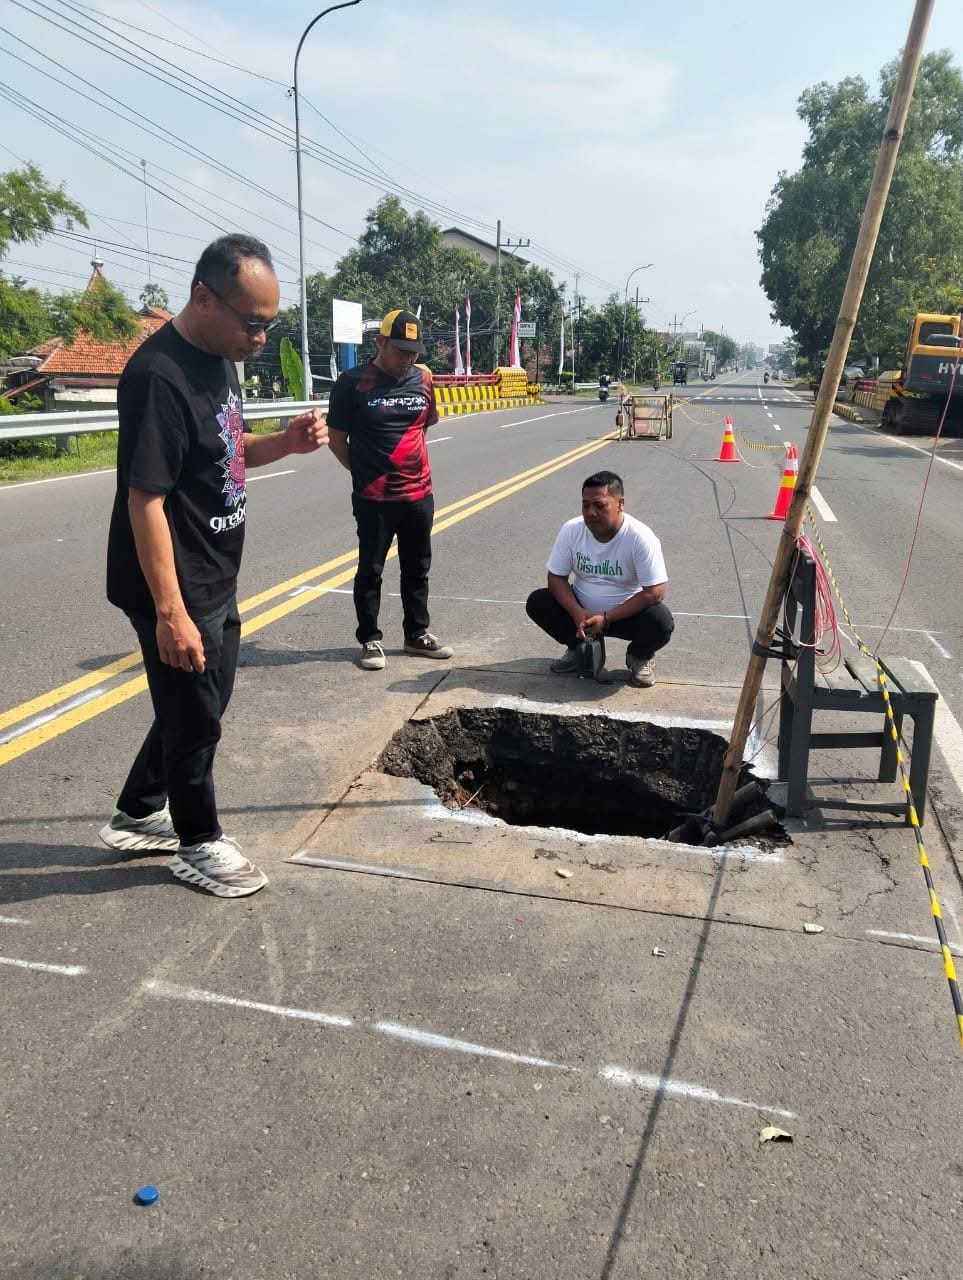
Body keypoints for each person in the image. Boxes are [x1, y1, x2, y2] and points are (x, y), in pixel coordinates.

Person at [99, 234, 328, 898]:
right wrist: (169, 613)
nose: (260, 337)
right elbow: (145, 498)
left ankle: (140, 808)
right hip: (171, 580)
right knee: (196, 713)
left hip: (214, 569)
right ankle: (198, 840)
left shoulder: (220, 359)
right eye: (251, 321)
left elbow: (225, 453)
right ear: (203, 297)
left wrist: (281, 443)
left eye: (269, 324)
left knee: (203, 697)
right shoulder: (158, 376)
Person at [327, 309, 453, 671]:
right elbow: (337, 440)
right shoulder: (352, 383)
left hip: (419, 494)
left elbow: (422, 429)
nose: (408, 358)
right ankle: (369, 638)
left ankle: (417, 634)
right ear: (380, 342)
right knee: (372, 569)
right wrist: (366, 472)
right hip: (375, 498)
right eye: (401, 350)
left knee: (418, 567)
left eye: (414, 352)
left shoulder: (423, 381)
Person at [526, 470, 674, 688]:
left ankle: (638, 657)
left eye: (599, 505)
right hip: (582, 615)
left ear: (620, 503)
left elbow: (656, 591)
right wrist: (577, 612)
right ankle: (579, 649)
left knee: (661, 622)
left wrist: (607, 618)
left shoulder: (640, 537)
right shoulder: (572, 530)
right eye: (585, 505)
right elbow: (556, 577)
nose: (591, 512)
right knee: (539, 602)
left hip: (625, 615)